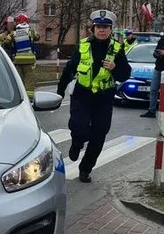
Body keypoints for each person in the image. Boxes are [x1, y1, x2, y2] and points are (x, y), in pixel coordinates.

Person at [56, 9, 132, 183]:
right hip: (82, 94)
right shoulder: (83, 46)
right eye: (98, 27)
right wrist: (60, 92)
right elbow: (69, 70)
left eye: (105, 27)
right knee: (79, 126)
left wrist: (115, 67)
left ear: (111, 30)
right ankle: (77, 142)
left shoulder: (117, 48)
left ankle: (85, 169)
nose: (102, 30)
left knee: (99, 135)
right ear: (93, 29)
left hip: (104, 98)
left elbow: (125, 74)